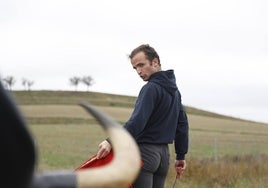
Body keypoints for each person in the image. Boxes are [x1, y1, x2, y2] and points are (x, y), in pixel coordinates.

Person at [96, 44, 189, 188]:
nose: (139, 71)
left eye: (141, 65)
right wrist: (181, 156)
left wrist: (111, 141)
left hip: (144, 154)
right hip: (164, 158)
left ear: (155, 62)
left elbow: (137, 122)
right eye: (135, 68)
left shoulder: (150, 88)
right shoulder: (175, 92)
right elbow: (182, 125)